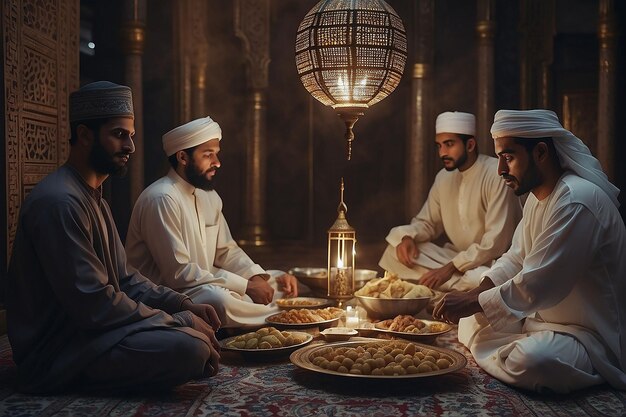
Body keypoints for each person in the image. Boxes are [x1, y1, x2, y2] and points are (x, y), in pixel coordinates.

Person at [6, 81, 222, 394]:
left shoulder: (95, 199)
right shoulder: (59, 202)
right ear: (84, 135)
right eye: (119, 134)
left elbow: (125, 279)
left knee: (192, 342)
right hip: (58, 351)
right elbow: (95, 305)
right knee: (190, 349)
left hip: (92, 334)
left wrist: (180, 302)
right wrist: (178, 321)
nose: (130, 147)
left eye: (131, 135)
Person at [433, 109, 626, 393]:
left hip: (590, 335)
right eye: (499, 158)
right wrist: (475, 295)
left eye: (508, 158)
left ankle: (577, 364)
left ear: (540, 153)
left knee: (533, 361)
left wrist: (474, 302)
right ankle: (513, 349)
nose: (500, 170)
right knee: (471, 320)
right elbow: (516, 257)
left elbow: (538, 284)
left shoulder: (576, 201)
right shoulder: (538, 198)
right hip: (541, 321)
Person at [125, 116, 298, 328]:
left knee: (277, 282)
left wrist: (256, 277)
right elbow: (178, 273)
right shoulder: (161, 198)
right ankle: (284, 316)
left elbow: (227, 251)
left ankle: (277, 311)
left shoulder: (209, 197)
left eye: (216, 154)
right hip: (169, 295)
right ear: (182, 157)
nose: (217, 162)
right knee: (218, 301)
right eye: (208, 155)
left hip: (204, 284)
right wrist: (246, 286)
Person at [379, 111, 521, 294]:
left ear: (470, 144)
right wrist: (408, 237)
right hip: (457, 259)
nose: (442, 153)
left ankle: (451, 289)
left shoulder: (496, 173)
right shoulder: (443, 178)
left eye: (449, 144)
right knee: (394, 251)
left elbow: (495, 243)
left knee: (483, 277)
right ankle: (458, 289)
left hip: (495, 262)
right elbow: (427, 223)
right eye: (439, 146)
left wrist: (449, 269)